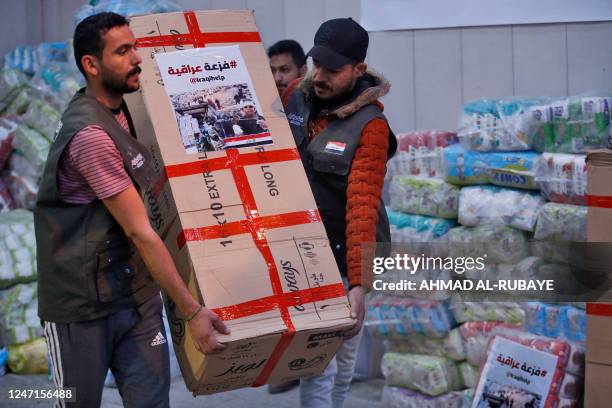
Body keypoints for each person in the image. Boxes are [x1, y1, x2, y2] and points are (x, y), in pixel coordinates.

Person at [34, 12, 229, 408]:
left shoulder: (122, 110)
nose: (137, 58)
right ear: (91, 65)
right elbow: (140, 231)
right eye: (123, 51)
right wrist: (192, 312)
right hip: (82, 306)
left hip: (134, 294)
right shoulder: (90, 135)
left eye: (135, 47)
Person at [282, 18, 397, 408]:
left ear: (358, 70)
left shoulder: (371, 125)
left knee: (339, 363)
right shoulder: (295, 100)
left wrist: (358, 285)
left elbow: (362, 204)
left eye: (333, 70)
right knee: (315, 365)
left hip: (349, 250)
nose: (320, 76)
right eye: (317, 65)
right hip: (306, 251)